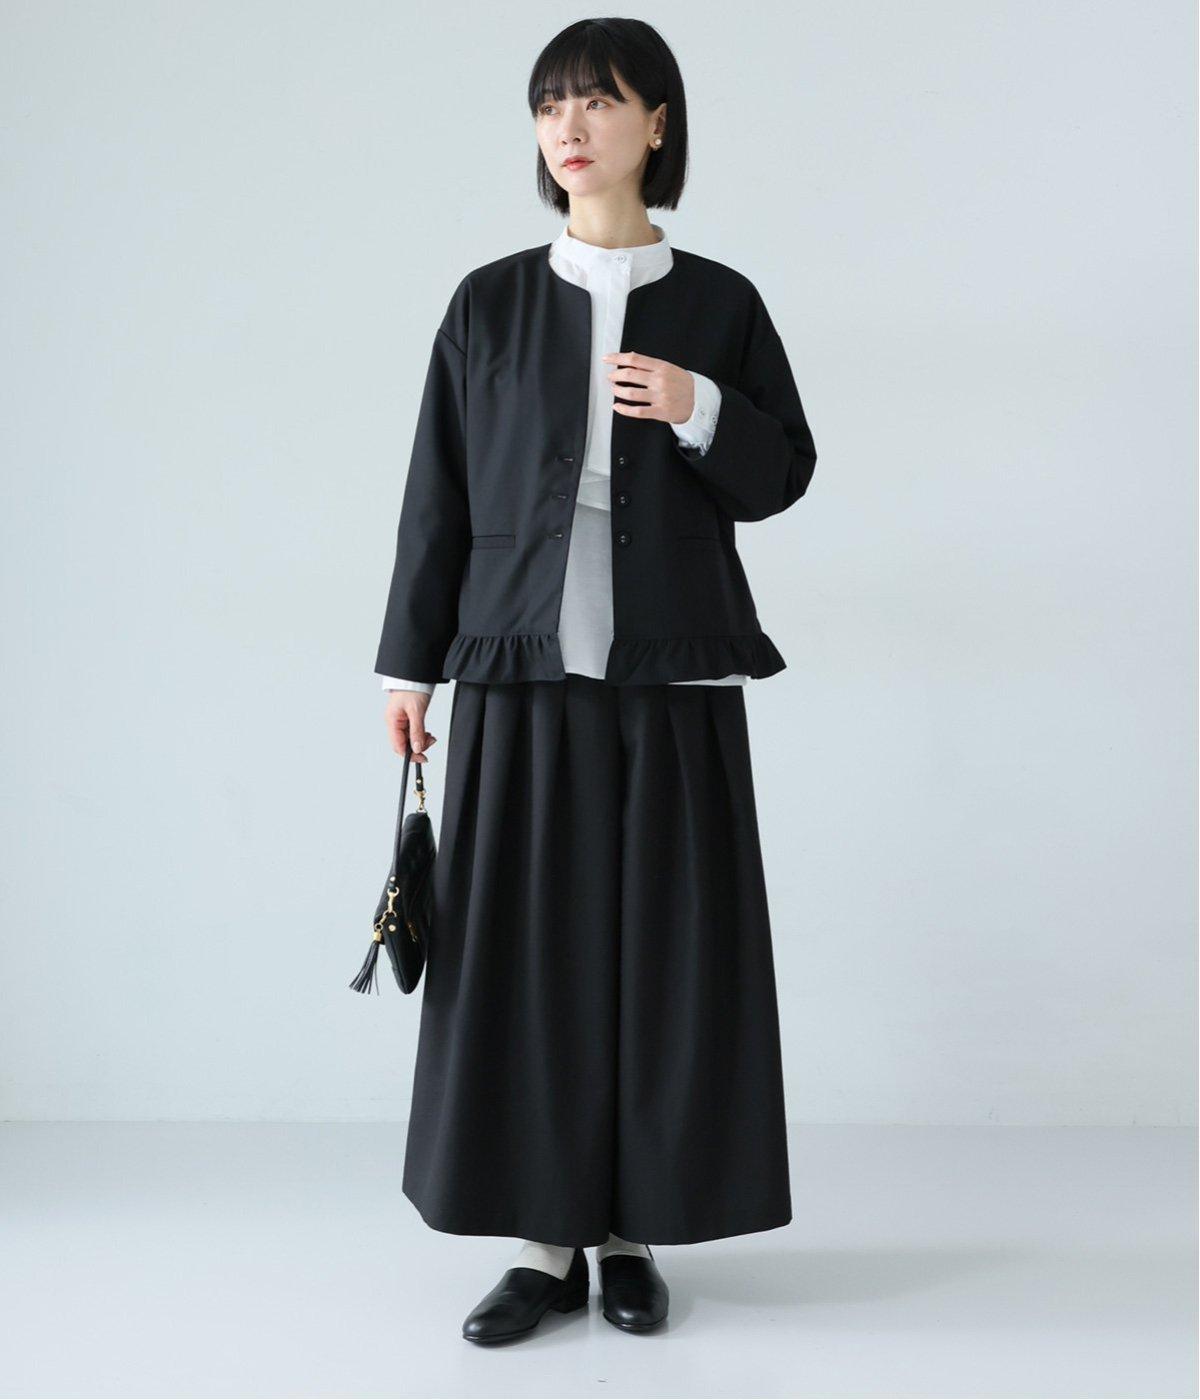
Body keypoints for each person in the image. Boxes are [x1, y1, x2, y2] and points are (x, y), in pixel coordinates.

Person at [374, 17, 818, 1343]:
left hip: (673, 674)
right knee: (523, 959)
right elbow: (437, 500)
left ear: (657, 123)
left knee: (665, 956)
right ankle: (542, 1242)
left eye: (600, 101)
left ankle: (630, 1240)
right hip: (518, 672)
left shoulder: (722, 303)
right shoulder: (489, 304)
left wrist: (697, 407)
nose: (570, 126)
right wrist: (408, 668)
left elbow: (782, 474)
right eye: (550, 105)